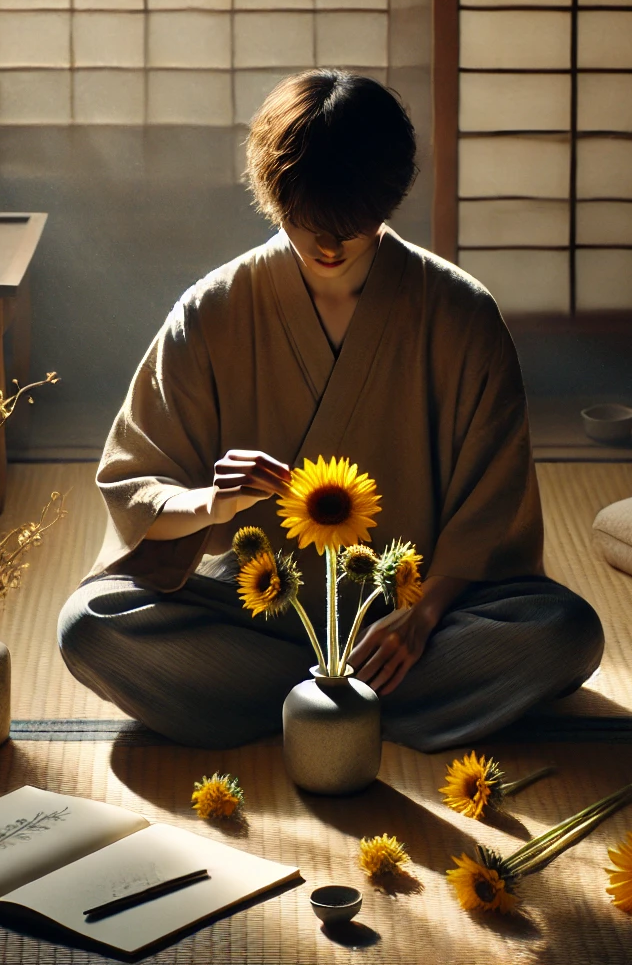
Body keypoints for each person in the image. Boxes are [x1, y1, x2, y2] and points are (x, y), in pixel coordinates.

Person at [57, 69, 603, 752]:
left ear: (387, 196)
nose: (327, 246)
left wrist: (423, 616)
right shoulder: (214, 310)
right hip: (257, 611)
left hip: (406, 619)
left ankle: (293, 702)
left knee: (565, 630)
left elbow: (491, 508)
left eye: (351, 224)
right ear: (272, 192)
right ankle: (350, 700)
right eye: (307, 221)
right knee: (90, 623)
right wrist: (212, 505)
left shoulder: (461, 314)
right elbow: (136, 482)